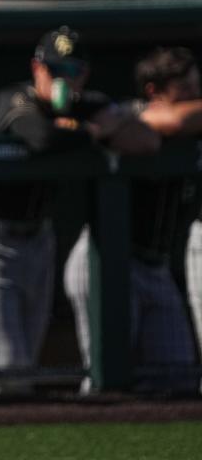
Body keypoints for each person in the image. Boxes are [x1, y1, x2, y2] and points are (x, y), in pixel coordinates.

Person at [0, 26, 158, 401]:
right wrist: (94, 132)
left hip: (38, 242)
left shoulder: (88, 104)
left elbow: (144, 139)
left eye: (72, 71)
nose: (64, 80)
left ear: (85, 74)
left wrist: (91, 124)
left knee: (25, 371)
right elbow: (40, 136)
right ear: (37, 68)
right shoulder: (16, 97)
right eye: (55, 70)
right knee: (11, 373)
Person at [65, 46, 200, 394]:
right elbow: (172, 121)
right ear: (154, 91)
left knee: (180, 378)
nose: (193, 96)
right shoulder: (130, 112)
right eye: (184, 89)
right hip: (107, 260)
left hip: (155, 266)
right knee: (107, 381)